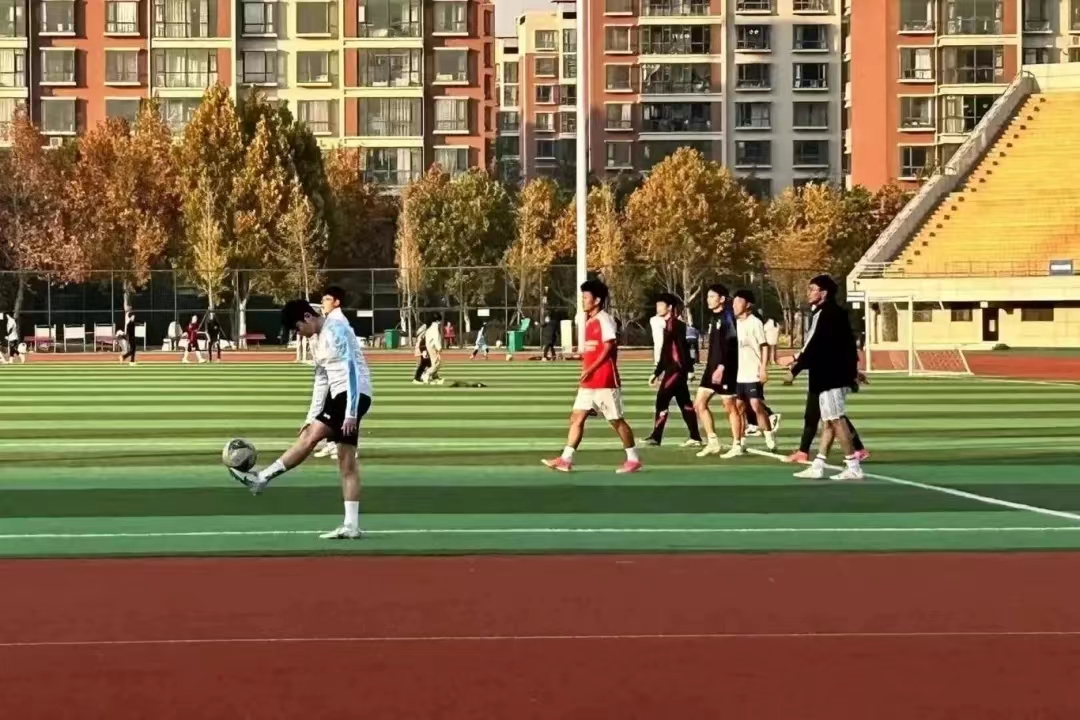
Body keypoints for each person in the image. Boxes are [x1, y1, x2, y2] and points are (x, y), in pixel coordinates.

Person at [229, 286, 373, 539]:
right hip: (342, 395)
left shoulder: (336, 329)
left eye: (298, 328)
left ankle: (261, 478)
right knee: (346, 461)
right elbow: (321, 378)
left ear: (308, 317)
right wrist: (311, 416)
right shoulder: (317, 339)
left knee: (311, 438)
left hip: (351, 394)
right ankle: (351, 526)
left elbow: (351, 368)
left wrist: (351, 411)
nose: (299, 334)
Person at [543, 279, 641, 474]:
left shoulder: (604, 319)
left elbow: (609, 346)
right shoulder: (589, 321)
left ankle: (633, 459)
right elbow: (594, 349)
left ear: (596, 300)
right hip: (589, 382)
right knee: (577, 417)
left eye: (585, 297)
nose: (582, 301)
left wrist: (591, 368)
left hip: (605, 380)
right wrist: (583, 361)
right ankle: (565, 459)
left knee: (616, 420)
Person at [786, 275, 864, 481]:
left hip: (831, 377)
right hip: (829, 376)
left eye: (813, 289)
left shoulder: (828, 314)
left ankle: (853, 466)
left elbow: (814, 347)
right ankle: (818, 465)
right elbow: (844, 345)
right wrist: (853, 371)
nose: (809, 292)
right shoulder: (829, 313)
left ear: (824, 293)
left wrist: (794, 369)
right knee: (828, 421)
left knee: (837, 420)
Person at [645, 294, 702, 448]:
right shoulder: (669, 324)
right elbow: (667, 352)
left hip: (676, 369)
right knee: (684, 402)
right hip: (675, 369)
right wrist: (657, 372)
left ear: (669, 307)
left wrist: (689, 369)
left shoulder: (675, 325)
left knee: (662, 399)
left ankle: (656, 437)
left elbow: (682, 349)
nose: (657, 308)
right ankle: (695, 437)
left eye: (660, 305)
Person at [693, 284, 741, 457]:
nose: (708, 300)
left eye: (712, 296)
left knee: (730, 406)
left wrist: (722, 367)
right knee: (699, 404)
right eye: (708, 296)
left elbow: (731, 345)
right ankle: (713, 442)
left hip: (725, 369)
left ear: (722, 299)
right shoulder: (713, 317)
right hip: (711, 368)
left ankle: (737, 444)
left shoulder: (728, 317)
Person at [728, 290, 776, 456]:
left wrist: (763, 368)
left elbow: (764, 346)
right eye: (734, 302)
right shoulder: (734, 323)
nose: (734, 305)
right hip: (737, 373)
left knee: (756, 405)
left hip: (752, 371)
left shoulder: (755, 322)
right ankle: (741, 441)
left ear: (747, 304)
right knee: (739, 407)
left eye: (738, 302)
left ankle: (768, 434)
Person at [422, 318, 444, 384]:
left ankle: (434, 376)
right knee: (436, 363)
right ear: (437, 321)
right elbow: (436, 339)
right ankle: (426, 374)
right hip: (432, 347)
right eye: (440, 321)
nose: (441, 322)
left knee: (436, 362)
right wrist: (439, 348)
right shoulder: (435, 328)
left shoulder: (431, 328)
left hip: (430, 346)